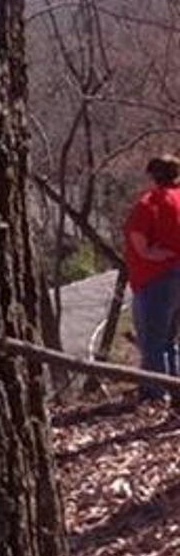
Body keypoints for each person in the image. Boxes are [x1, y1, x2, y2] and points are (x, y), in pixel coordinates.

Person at [123, 153, 180, 404]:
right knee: (169, 338)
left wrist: (158, 255)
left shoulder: (149, 204)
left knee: (152, 340)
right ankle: (173, 385)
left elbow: (141, 245)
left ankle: (155, 394)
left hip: (156, 279)